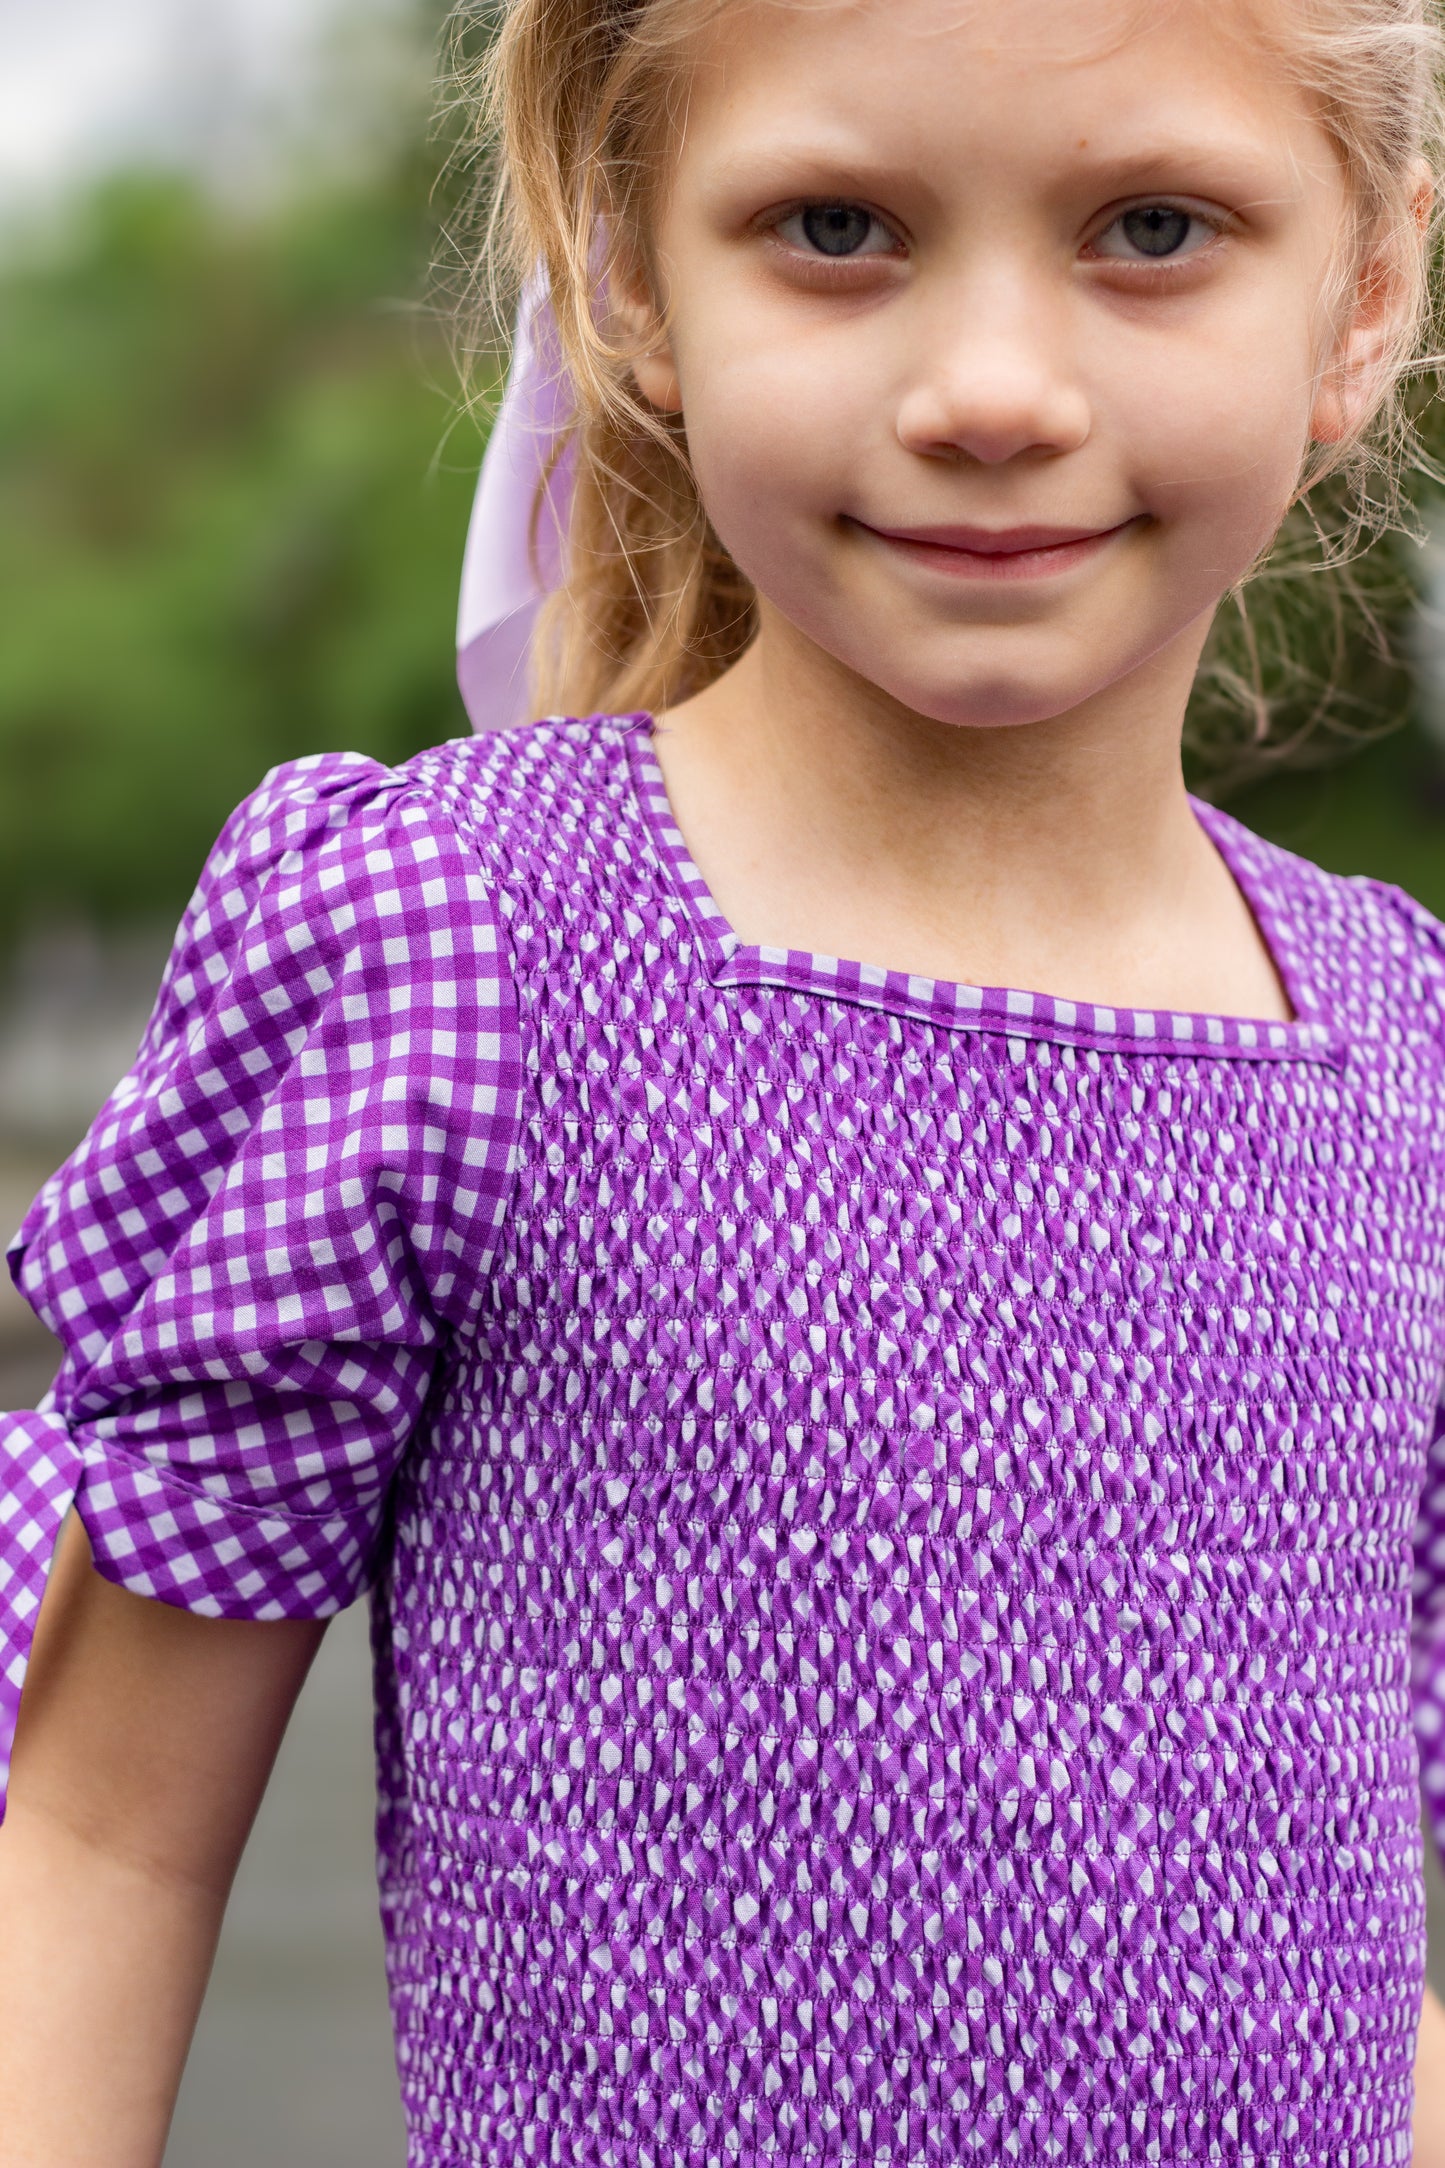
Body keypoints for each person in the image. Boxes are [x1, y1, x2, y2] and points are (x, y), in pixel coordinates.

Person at [6, 0, 1445, 2159]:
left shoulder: (1406, 1055)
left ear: (1365, 298)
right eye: (837, 225)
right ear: (626, 273)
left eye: (1153, 225)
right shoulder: (455, 948)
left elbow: (1369, 1950)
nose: (991, 393)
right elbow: (99, 1841)